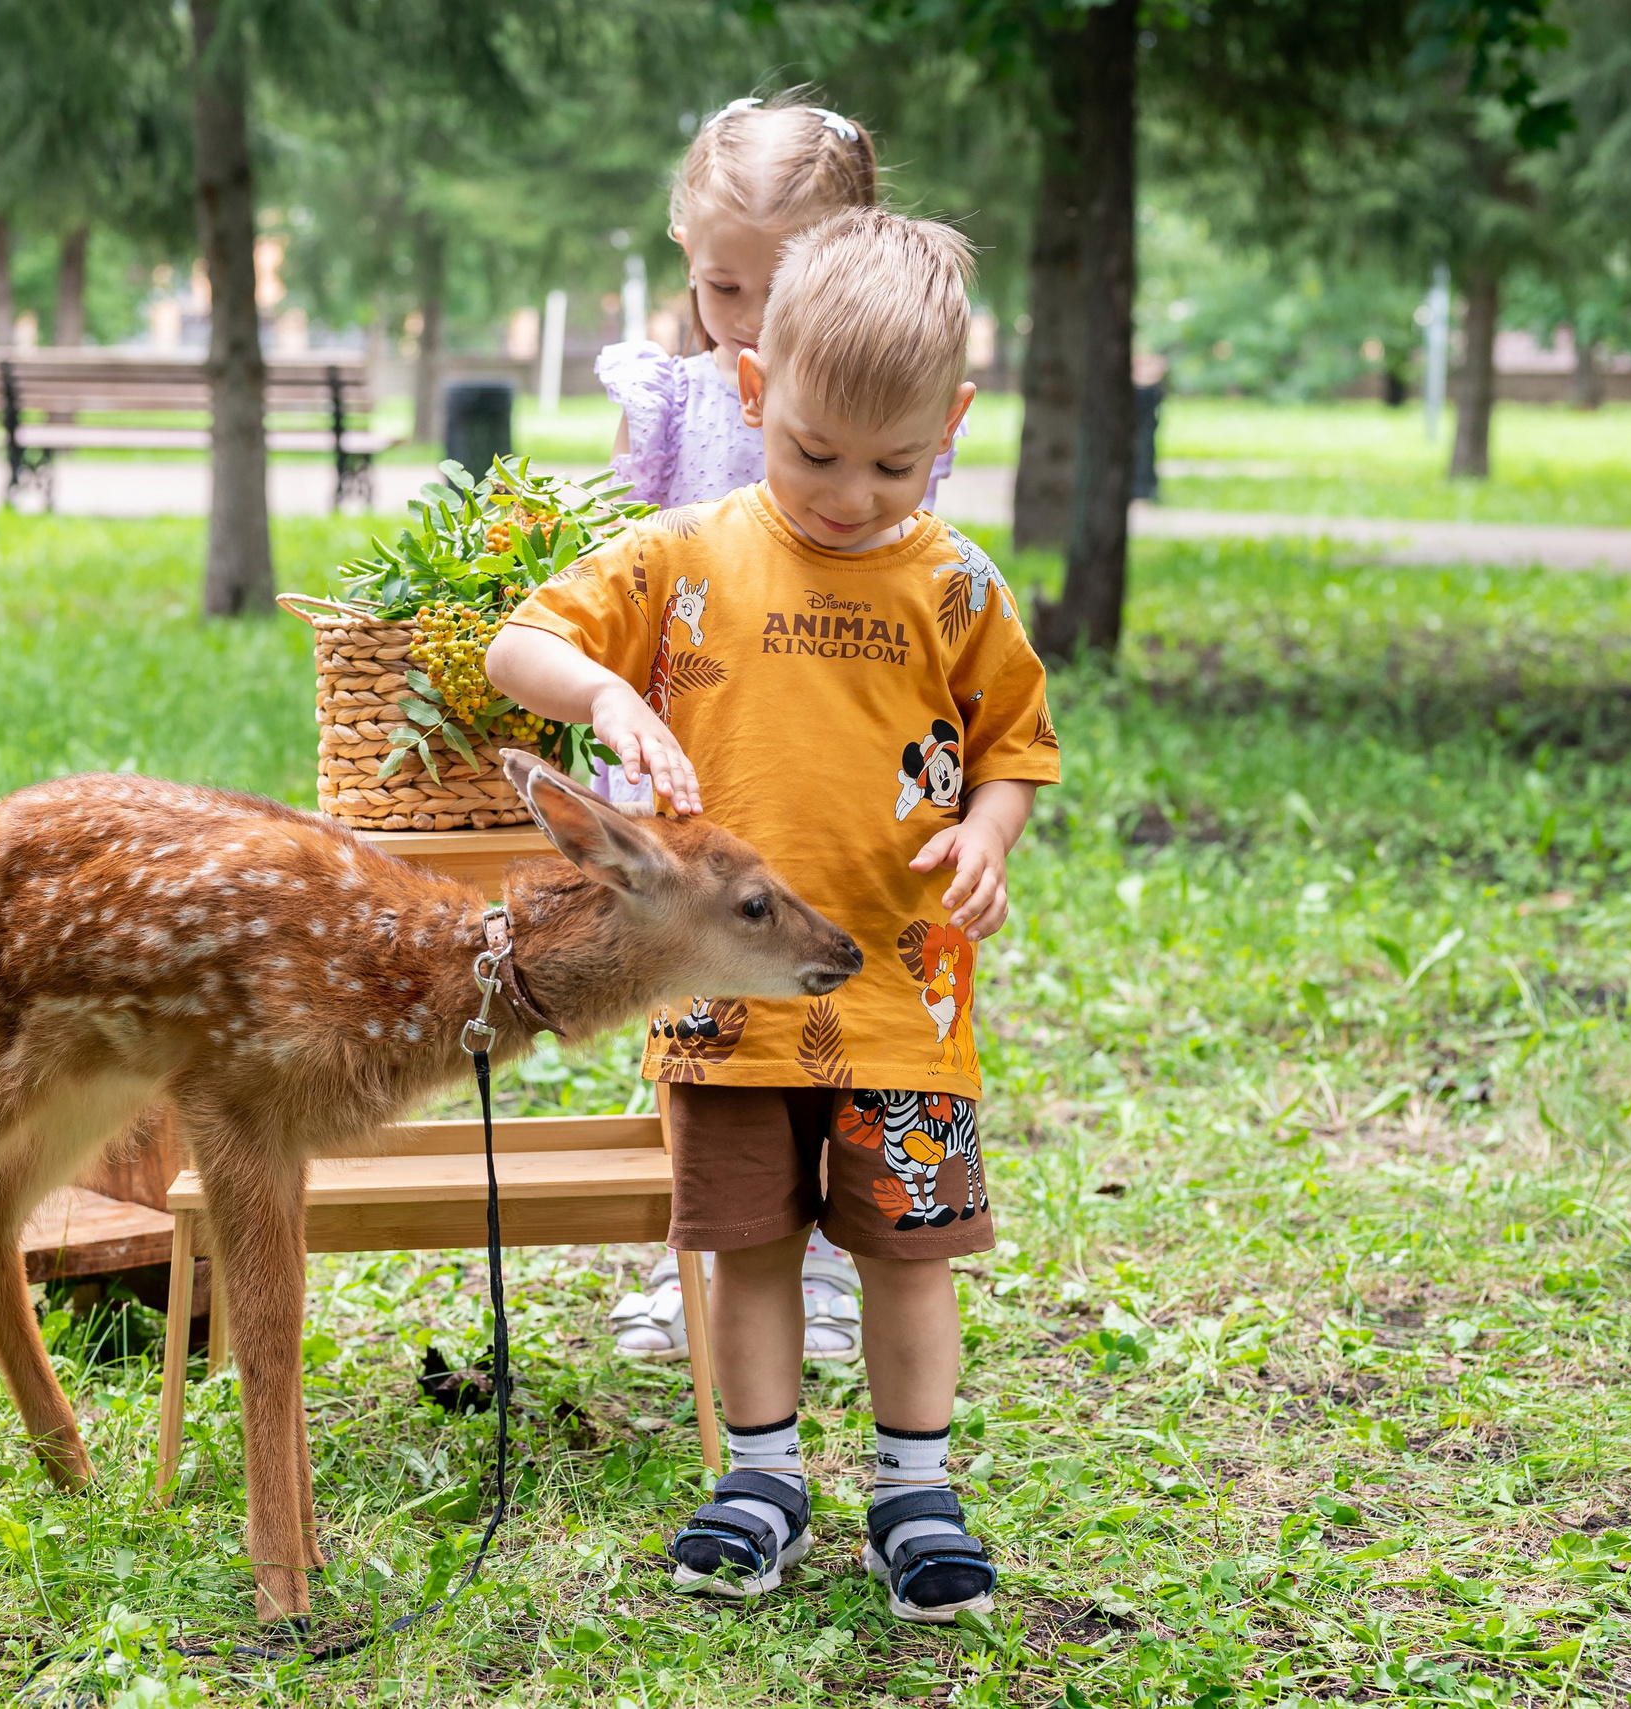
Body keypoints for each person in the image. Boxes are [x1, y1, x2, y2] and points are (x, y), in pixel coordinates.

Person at [488, 208, 1060, 1624]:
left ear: (955, 425)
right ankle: (760, 1478)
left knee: (905, 1252)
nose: (853, 494)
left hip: (901, 1004)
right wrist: (613, 692)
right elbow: (519, 643)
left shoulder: (958, 585)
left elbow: (1016, 749)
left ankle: (917, 1492)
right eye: (813, 453)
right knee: (743, 1243)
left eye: (896, 461)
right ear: (752, 394)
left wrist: (989, 834)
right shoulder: (682, 558)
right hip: (722, 1001)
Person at [593, 93, 902, 1367]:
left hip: (822, 727)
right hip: (690, 735)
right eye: (727, 288)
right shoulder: (669, 396)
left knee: (823, 987)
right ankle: (709, 1249)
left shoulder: (872, 407)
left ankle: (825, 1259)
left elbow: (887, 545)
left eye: (789, 293)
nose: (756, 327)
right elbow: (620, 550)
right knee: (694, 1004)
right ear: (685, 256)